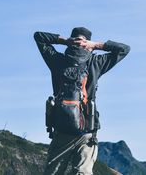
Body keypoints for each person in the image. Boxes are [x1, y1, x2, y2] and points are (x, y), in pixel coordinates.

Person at [34, 27, 130, 175]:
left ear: (71, 41)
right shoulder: (95, 63)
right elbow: (124, 49)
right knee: (82, 172)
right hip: (87, 131)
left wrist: (64, 41)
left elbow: (38, 36)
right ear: (88, 45)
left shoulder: (57, 60)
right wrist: (96, 45)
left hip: (62, 131)